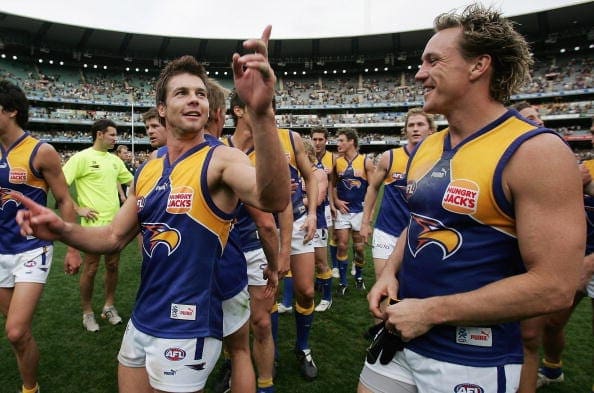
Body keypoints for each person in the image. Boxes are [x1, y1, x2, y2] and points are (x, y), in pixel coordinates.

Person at [14, 25, 290, 393]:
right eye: (182, 93)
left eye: (199, 94)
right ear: (162, 109)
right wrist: (63, 230)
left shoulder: (221, 159)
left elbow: (272, 199)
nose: (194, 100)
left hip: (189, 324)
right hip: (144, 318)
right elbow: (113, 236)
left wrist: (261, 113)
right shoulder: (149, 167)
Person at [359, 5, 585, 393]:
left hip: (475, 357)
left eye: (432, 61)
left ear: (479, 65)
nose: (419, 73)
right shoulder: (427, 146)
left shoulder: (536, 152)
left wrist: (431, 312)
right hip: (399, 336)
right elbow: (420, 222)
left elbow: (555, 285)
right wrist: (390, 273)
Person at [0, 79, 81, 393]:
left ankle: (29, 389)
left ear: (11, 111)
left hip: (32, 248)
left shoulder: (40, 151)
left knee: (16, 332)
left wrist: (73, 249)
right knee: (18, 332)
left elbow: (64, 200)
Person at [62, 118, 134, 332]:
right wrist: (78, 208)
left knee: (112, 266)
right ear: (100, 134)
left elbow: (132, 183)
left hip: (115, 225)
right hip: (92, 227)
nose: (115, 138)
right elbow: (60, 187)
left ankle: (109, 306)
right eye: (112, 134)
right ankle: (87, 312)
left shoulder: (115, 160)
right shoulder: (81, 158)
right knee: (91, 268)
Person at [537, 123, 594, 392]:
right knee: (551, 323)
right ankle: (552, 368)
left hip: (589, 262)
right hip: (573, 259)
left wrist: (591, 263)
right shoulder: (585, 168)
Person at [360, 108, 435, 281]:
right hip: (387, 230)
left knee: (416, 284)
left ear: (431, 130)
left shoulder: (440, 159)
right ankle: (388, 309)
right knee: (384, 281)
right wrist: (365, 222)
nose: (415, 129)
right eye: (411, 125)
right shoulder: (390, 157)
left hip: (422, 233)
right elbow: (372, 188)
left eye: (420, 124)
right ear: (405, 130)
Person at [509, 101, 545, 393]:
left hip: (540, 261)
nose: (539, 122)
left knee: (531, 336)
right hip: (505, 260)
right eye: (530, 118)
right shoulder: (506, 159)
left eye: (539, 117)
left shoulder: (554, 156)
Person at [332, 128, 374, 293]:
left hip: (360, 211)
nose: (338, 144)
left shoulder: (365, 162)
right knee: (342, 245)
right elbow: (333, 185)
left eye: (342, 140)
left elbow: (372, 188)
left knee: (359, 248)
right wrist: (335, 200)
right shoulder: (337, 162)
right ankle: (343, 283)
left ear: (352, 142)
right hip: (343, 211)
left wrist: (369, 217)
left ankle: (358, 276)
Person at [302, 137, 333, 312]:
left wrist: (294, 202)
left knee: (321, 262)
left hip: (318, 223)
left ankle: (327, 298)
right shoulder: (300, 173)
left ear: (306, 154)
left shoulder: (319, 173)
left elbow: (319, 199)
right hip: (300, 222)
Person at [310, 127, 338, 279]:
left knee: (324, 239)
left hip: (325, 204)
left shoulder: (332, 158)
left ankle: (328, 268)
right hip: (309, 203)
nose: (317, 142)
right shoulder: (307, 156)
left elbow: (333, 184)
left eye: (320, 139)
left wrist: (333, 204)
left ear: (326, 140)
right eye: (314, 139)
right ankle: (318, 271)